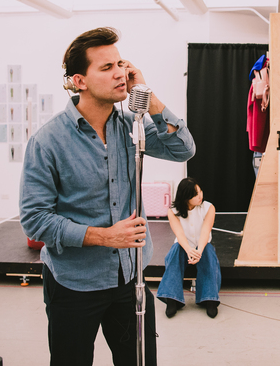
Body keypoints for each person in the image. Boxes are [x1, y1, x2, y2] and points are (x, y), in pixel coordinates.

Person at [19, 27, 196, 366]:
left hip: (131, 279)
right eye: (106, 68)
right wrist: (104, 237)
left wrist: (145, 93)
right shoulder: (48, 141)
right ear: (79, 81)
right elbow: (35, 220)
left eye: (120, 64)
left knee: (140, 361)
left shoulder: (134, 126)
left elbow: (183, 149)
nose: (119, 73)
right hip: (74, 284)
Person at [157, 177, 221, 319]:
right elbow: (179, 234)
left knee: (209, 255)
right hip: (183, 245)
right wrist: (188, 250)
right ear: (186, 197)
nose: (200, 196)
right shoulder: (173, 211)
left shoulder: (208, 207)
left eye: (200, 192)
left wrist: (198, 251)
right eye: (195, 194)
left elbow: (206, 231)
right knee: (174, 255)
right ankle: (172, 299)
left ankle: (210, 299)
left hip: (202, 244)